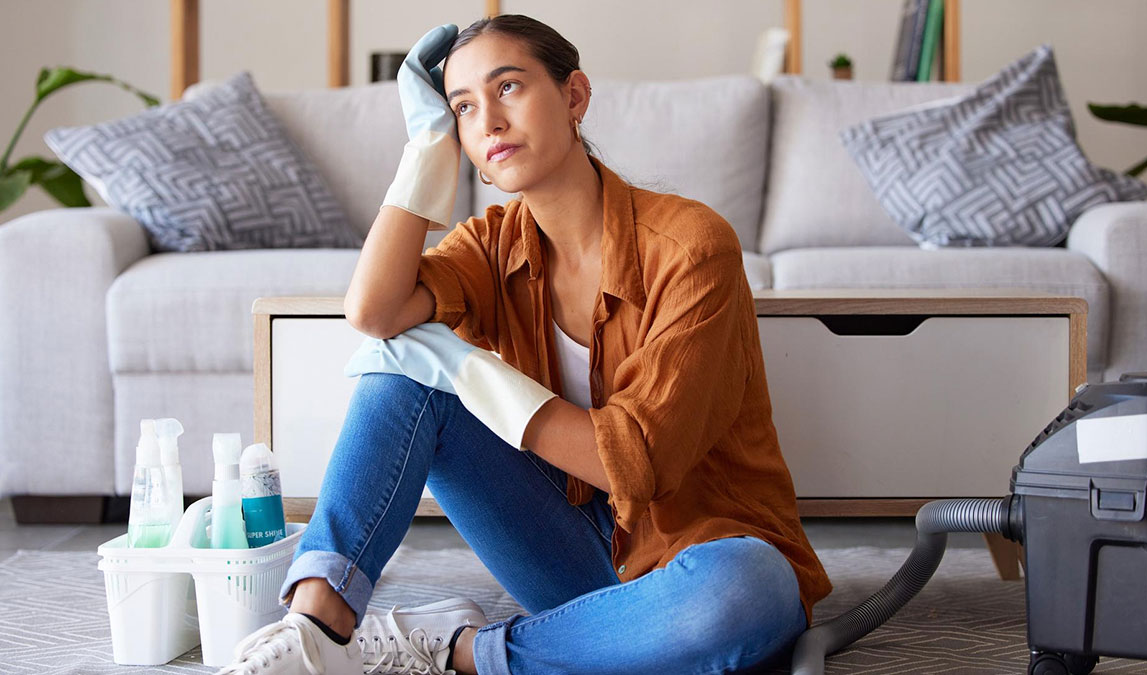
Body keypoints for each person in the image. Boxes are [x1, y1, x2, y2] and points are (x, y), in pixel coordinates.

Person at [217, 14, 831, 675]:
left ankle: (459, 651)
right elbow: (374, 309)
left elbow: (641, 461)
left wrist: (474, 373)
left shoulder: (691, 246)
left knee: (745, 593)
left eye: (508, 87)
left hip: (705, 557)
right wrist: (425, 150)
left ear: (573, 97)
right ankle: (317, 629)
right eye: (462, 108)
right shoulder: (490, 242)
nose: (488, 121)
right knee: (401, 374)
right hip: (575, 559)